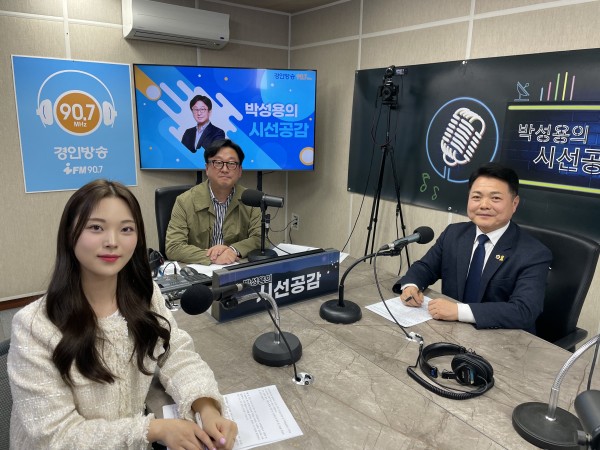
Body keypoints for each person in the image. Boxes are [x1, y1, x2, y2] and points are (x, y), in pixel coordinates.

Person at [8, 179, 238, 449]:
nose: (112, 242)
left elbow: (175, 352)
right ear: (70, 234)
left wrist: (206, 407)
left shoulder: (145, 295)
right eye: (96, 227)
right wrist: (152, 430)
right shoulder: (33, 326)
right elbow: (56, 436)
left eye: (126, 229)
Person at [393, 162, 552, 333]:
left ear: (514, 203)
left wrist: (459, 311)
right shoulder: (454, 234)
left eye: (495, 198)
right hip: (449, 331)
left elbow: (524, 311)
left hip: (501, 339)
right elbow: (426, 267)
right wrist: (411, 285)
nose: (484, 205)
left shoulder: (534, 254)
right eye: (476, 197)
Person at [166, 139, 261, 265]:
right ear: (207, 168)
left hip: (236, 268)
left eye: (231, 163)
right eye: (218, 163)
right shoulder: (184, 201)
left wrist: (232, 250)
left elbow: (260, 238)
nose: (225, 169)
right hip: (199, 270)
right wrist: (212, 257)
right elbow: (173, 247)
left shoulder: (251, 200)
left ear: (239, 171)